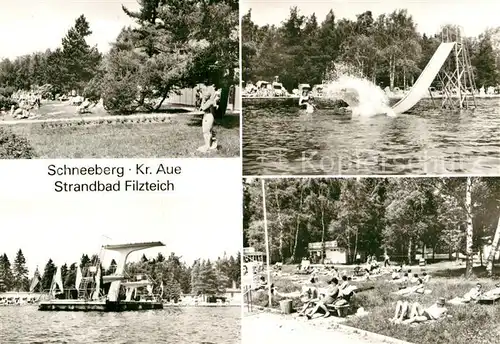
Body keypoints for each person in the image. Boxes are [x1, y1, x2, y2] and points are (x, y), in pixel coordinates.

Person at [197, 86, 220, 153]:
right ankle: (209, 145)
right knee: (206, 131)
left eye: (205, 94)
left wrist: (203, 99)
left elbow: (202, 108)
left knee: (207, 131)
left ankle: (208, 146)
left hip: (209, 116)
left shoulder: (210, 102)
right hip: (207, 116)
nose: (204, 95)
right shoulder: (210, 101)